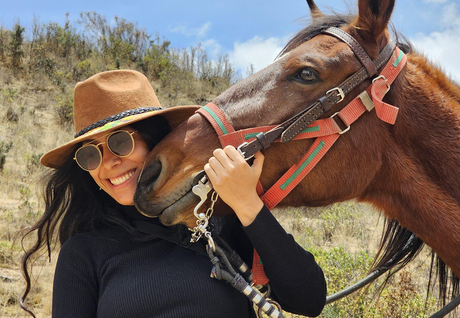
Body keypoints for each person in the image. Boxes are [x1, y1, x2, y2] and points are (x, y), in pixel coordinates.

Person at [21, 69, 327, 318]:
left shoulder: (218, 223)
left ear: (154, 141)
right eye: (90, 155)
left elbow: (309, 299)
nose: (109, 162)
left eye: (120, 142)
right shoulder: (84, 252)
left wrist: (247, 203)